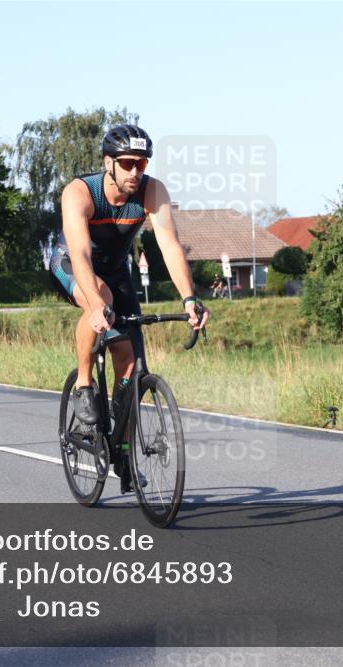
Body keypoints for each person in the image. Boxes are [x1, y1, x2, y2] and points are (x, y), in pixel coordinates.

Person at [48, 123, 210, 446]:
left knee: (131, 363)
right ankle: (83, 383)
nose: (135, 171)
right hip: (70, 263)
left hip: (117, 269)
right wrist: (95, 305)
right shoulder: (79, 192)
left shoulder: (152, 191)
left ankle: (121, 449)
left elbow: (170, 246)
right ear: (109, 163)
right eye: (127, 163)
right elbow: (80, 254)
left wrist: (189, 299)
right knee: (101, 297)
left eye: (142, 163)